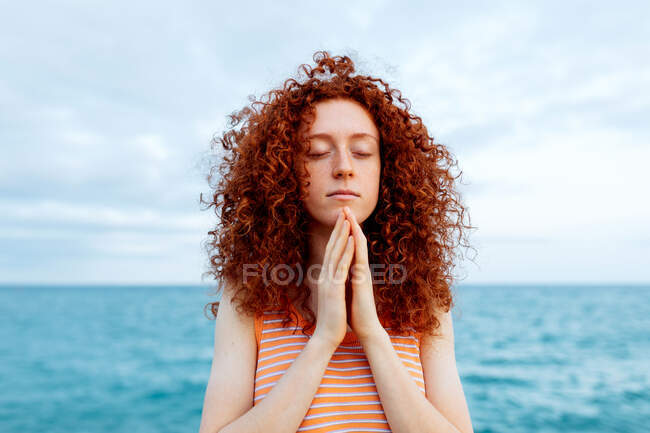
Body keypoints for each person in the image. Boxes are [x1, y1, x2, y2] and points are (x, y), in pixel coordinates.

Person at [198, 50, 475, 433]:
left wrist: (373, 335)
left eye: (362, 152)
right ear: (282, 169)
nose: (344, 166)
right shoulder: (248, 295)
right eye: (316, 151)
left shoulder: (422, 297)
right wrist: (325, 338)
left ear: (386, 171)